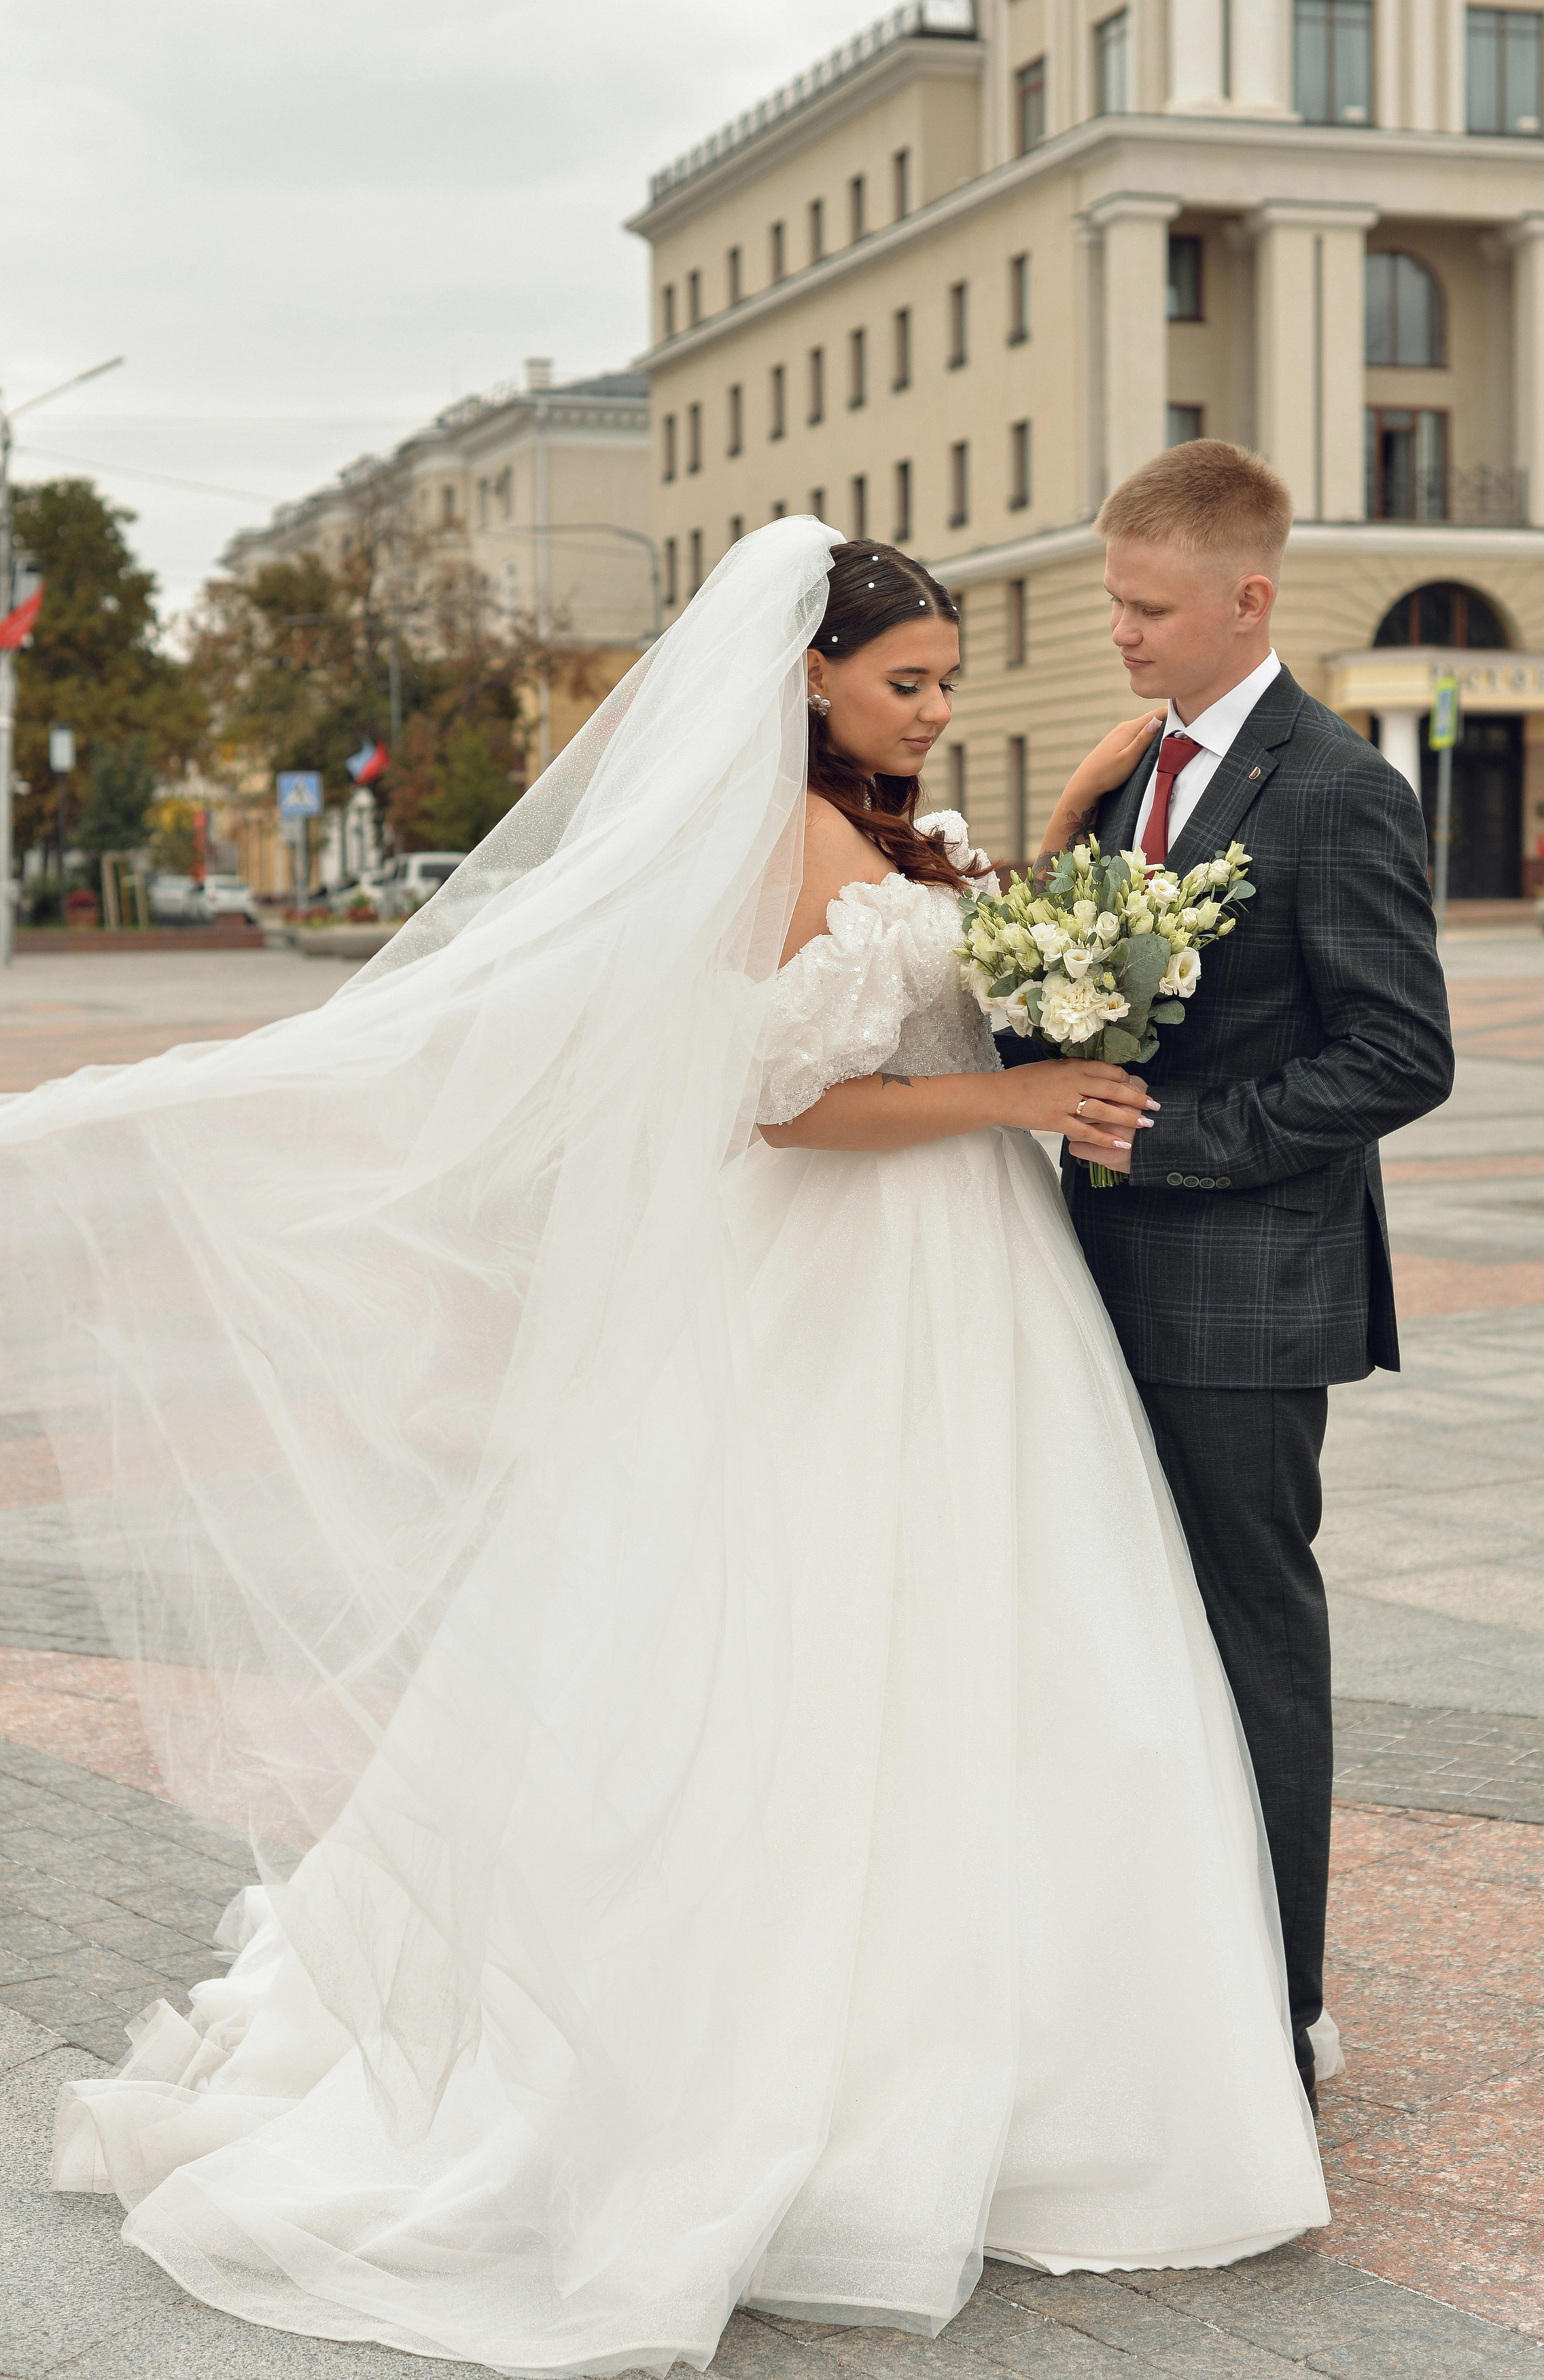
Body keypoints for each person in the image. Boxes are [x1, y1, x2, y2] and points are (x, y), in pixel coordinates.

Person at [1, 521, 1326, 2379]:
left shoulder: (875, 819)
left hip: (965, 1284)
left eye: (948, 682)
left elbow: (930, 952)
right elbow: (787, 1106)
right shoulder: (785, 840)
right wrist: (1018, 1090)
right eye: (908, 683)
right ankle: (828, 2075)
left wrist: (1085, 816)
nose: (938, 713)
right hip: (859, 1275)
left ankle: (1031, 2057)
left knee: (992, 1652)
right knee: (817, 1658)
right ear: (807, 675)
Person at [1032, 442, 1455, 2110]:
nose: (1119, 634)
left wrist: (1166, 1143)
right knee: (1126, 1634)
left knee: (1248, 1638)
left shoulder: (1340, 787)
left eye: (1145, 606)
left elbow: (1396, 1057)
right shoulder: (1140, 766)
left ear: (1245, 598)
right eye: (1112, 602)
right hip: (1093, 1279)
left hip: (1242, 1301)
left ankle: (1275, 2005)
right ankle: (1156, 1972)